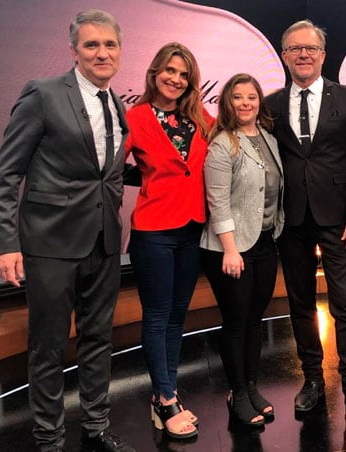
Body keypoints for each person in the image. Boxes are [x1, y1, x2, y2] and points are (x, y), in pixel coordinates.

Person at [0, 9, 135, 452]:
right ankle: (49, 439)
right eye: (91, 45)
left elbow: (103, 171)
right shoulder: (43, 94)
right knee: (48, 347)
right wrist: (5, 242)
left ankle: (95, 426)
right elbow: (6, 173)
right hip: (50, 243)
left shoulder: (117, 103)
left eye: (109, 44)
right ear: (73, 51)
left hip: (105, 241)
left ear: (119, 51)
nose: (102, 53)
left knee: (98, 339)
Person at [264, 20, 346, 432]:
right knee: (299, 304)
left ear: (323, 55)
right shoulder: (271, 104)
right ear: (284, 55)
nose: (303, 55)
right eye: (295, 48)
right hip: (290, 221)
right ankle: (312, 378)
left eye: (310, 48)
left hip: (340, 222)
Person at [124, 42, 214, 439]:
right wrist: (144, 180)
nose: (176, 80)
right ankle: (165, 398)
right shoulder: (136, 116)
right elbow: (108, 167)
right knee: (158, 315)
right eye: (170, 71)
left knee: (178, 316)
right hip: (154, 230)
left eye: (184, 74)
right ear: (155, 72)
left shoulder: (200, 117)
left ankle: (166, 394)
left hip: (193, 227)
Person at [200, 73, 284, 428]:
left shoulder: (267, 137)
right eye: (238, 97)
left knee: (254, 321)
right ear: (228, 103)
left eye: (252, 97)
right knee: (236, 323)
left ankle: (250, 388)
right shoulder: (222, 144)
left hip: (265, 242)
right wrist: (230, 250)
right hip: (230, 249)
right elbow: (217, 202)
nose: (246, 103)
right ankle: (236, 393)